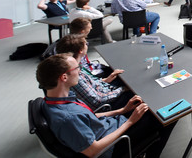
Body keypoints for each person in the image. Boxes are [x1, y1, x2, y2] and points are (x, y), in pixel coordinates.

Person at [36, 54, 174, 158]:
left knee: (149, 105)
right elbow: (93, 151)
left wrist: (123, 110)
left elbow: (90, 116)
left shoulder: (58, 99)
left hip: (111, 126)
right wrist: (131, 121)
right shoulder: (67, 118)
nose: (80, 71)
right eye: (77, 68)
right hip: (115, 144)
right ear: (64, 78)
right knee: (168, 117)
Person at [55, 34, 131, 110]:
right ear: (81, 50)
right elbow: (98, 100)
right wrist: (122, 89)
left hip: (104, 90)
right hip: (106, 104)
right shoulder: (74, 76)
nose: (87, 45)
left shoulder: (75, 67)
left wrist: (108, 79)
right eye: (86, 44)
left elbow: (91, 84)